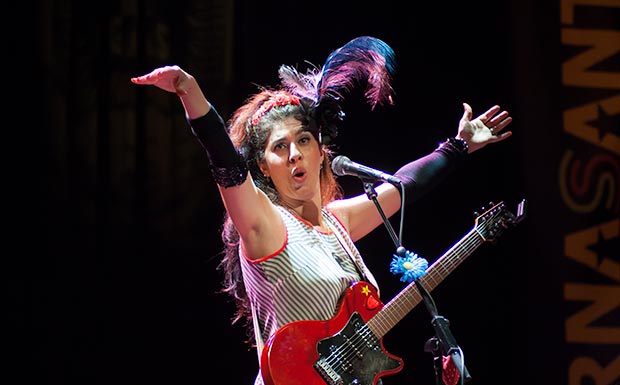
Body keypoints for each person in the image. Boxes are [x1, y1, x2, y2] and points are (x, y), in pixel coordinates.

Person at [131, 36, 512, 385]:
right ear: (263, 166)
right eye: (279, 148)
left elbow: (402, 187)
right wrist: (190, 92)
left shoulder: (338, 220)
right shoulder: (265, 222)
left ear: (320, 151)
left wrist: (458, 146)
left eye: (303, 140)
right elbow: (226, 165)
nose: (294, 153)